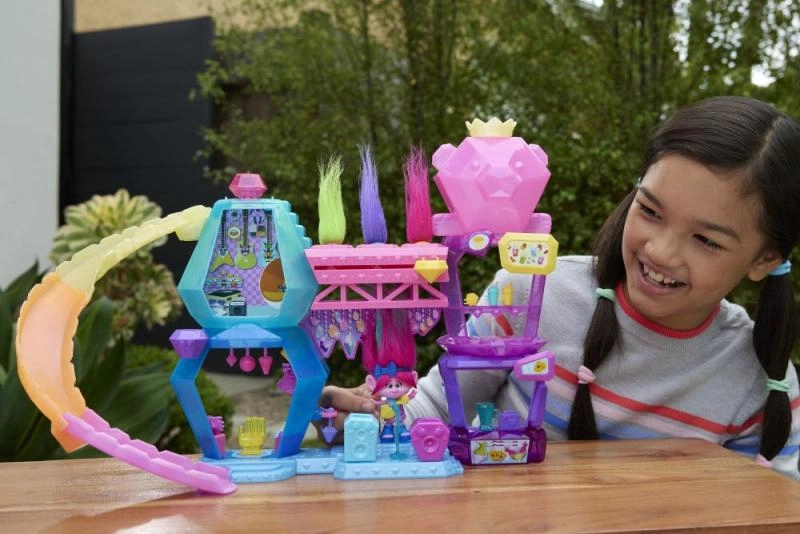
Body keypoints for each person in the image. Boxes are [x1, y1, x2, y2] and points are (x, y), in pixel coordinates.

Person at [320, 96, 800, 479]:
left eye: (706, 240)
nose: (661, 251)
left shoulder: (761, 377)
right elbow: (434, 413)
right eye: (650, 211)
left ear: (765, 259)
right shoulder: (529, 293)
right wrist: (366, 418)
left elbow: (769, 509)